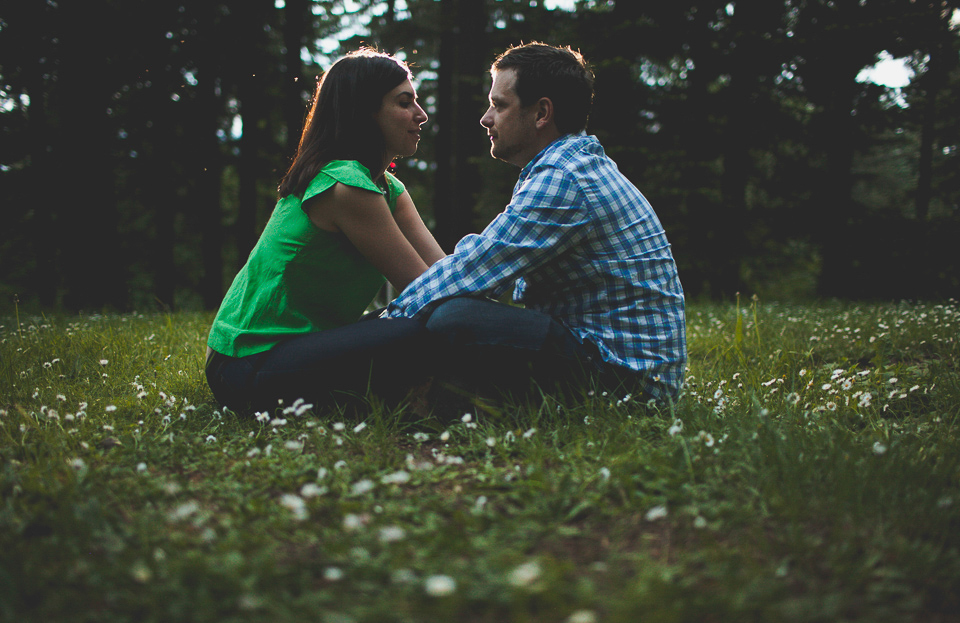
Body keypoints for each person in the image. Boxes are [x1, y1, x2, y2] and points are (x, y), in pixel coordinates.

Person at [386, 43, 686, 405]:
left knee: (456, 317)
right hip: (617, 366)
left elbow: (476, 269)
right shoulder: (568, 165)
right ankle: (443, 397)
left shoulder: (565, 177)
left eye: (499, 105)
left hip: (626, 383)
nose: (486, 118)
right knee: (455, 315)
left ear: (542, 112)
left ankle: (424, 395)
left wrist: (386, 323)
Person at [205, 49, 445, 415]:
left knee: (417, 322)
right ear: (365, 111)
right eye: (404, 102)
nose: (421, 114)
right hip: (244, 366)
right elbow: (426, 290)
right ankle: (423, 398)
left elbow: (443, 273)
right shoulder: (344, 186)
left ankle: (414, 395)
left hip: (296, 350)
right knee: (417, 328)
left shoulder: (387, 188)